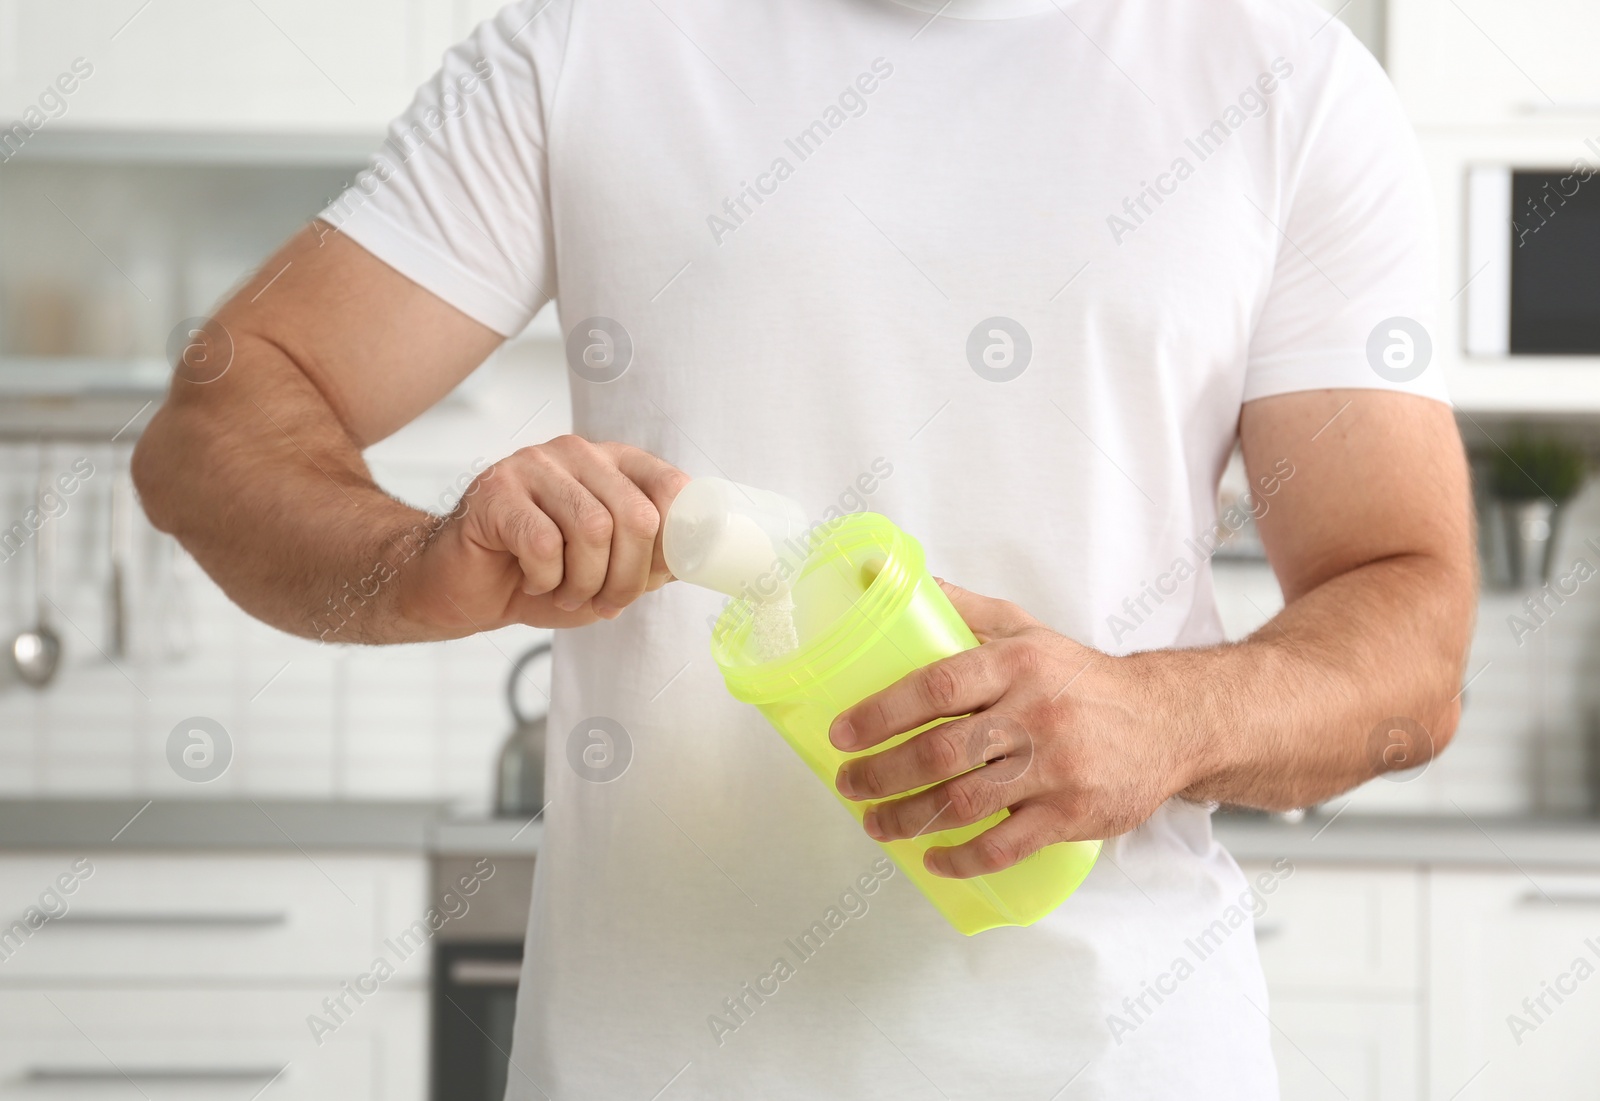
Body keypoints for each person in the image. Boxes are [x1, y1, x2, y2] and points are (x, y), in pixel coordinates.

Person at [133, 0, 1476, 1096]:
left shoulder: (1284, 78)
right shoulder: (591, 47)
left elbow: (1412, 627)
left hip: (1119, 1057)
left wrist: (1164, 717)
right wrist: (418, 559)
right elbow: (214, 426)